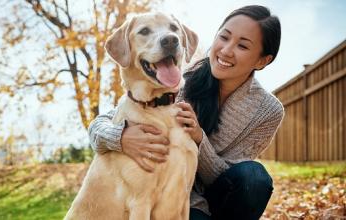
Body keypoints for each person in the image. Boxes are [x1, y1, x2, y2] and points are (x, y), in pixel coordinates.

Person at [88, 5, 283, 220]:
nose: (226, 50)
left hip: (222, 197)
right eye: (224, 37)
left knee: (254, 177)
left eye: (242, 46)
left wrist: (199, 140)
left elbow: (231, 177)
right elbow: (102, 123)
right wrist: (120, 137)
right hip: (176, 199)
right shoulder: (172, 79)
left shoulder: (267, 111)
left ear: (262, 60)